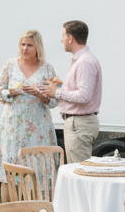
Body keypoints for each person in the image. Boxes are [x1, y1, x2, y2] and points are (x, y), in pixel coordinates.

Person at [0, 30, 59, 182]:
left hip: (38, 126)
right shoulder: (10, 65)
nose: (25, 49)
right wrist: (11, 91)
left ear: (38, 47)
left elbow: (54, 101)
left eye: (29, 45)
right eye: (22, 44)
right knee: (9, 172)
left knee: (38, 168)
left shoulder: (47, 69)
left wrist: (39, 95)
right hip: (13, 126)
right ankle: (8, 206)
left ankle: (35, 204)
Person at [42, 20, 101, 165]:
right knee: (78, 169)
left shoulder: (84, 62)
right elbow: (82, 89)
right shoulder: (82, 60)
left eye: (63, 36)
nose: (61, 40)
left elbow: (84, 95)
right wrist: (61, 85)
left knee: (80, 171)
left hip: (79, 123)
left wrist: (57, 93)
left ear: (71, 38)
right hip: (78, 123)